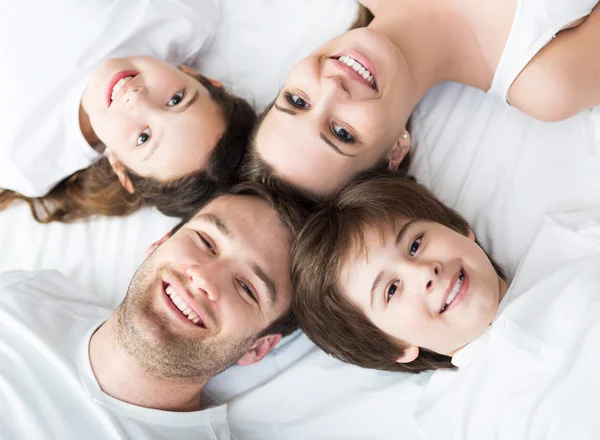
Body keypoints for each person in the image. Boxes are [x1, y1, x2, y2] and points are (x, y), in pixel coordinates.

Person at [292, 175, 600, 438]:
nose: (425, 272)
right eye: (392, 290)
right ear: (395, 347)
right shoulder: (455, 422)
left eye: (415, 244)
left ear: (458, 227)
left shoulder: (573, 243)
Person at [0, 182, 304, 439]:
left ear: (258, 347)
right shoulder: (25, 294)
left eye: (247, 289)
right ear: (160, 243)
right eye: (205, 241)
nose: (204, 279)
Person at [244, 0, 599, 197]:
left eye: (298, 101)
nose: (331, 90)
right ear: (395, 151)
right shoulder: (544, 81)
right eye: (342, 133)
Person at [0, 0, 255, 223]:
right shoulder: (181, 18)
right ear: (196, 76)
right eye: (176, 99)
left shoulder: (22, 158)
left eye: (144, 138)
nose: (137, 98)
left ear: (119, 166)